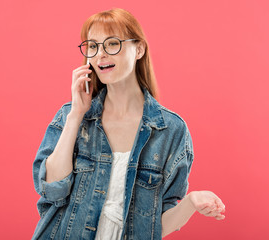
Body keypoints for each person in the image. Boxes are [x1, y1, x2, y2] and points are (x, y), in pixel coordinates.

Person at [32, 8, 226, 240]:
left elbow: (154, 227)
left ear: (139, 49)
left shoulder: (170, 130)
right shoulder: (71, 116)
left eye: (112, 44)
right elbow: (52, 189)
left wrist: (191, 202)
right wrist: (76, 115)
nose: (100, 55)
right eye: (93, 46)